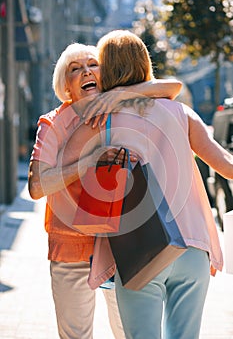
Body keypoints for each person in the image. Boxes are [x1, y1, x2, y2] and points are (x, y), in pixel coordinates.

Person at [65, 30, 233, 339]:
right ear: (145, 65)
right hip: (192, 247)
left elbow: (59, 170)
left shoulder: (101, 120)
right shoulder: (182, 113)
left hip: (138, 248)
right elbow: (226, 165)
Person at [28, 41, 182, 339]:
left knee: (127, 332)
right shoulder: (52, 124)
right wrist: (89, 162)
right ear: (66, 85)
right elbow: (36, 187)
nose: (86, 71)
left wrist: (121, 94)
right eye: (76, 69)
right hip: (70, 245)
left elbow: (172, 87)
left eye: (92, 64)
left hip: (120, 244)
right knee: (75, 335)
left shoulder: (119, 106)